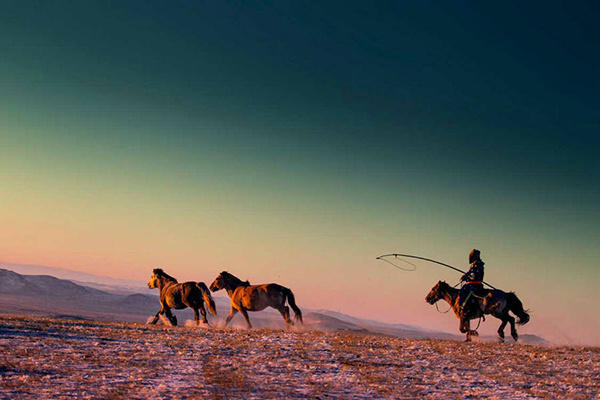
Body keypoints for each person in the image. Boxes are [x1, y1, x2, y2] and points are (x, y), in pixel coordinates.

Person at [458, 249, 485, 318]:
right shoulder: (477, 264)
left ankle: (464, 309)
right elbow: (470, 273)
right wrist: (466, 275)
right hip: (476, 283)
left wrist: (466, 277)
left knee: (462, 292)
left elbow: (473, 276)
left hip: (474, 283)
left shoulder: (477, 264)